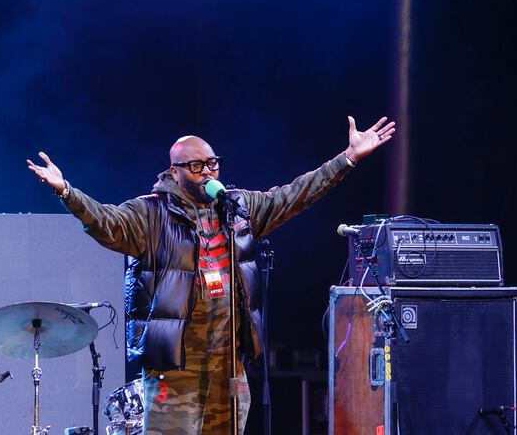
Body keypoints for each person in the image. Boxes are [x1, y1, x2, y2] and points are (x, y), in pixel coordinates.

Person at [27, 116, 395, 435]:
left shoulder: (238, 208)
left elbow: (294, 195)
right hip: (176, 372)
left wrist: (347, 159)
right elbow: (107, 222)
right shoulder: (151, 214)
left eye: (213, 164)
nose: (207, 173)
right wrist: (67, 192)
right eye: (197, 166)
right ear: (175, 172)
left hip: (228, 368)